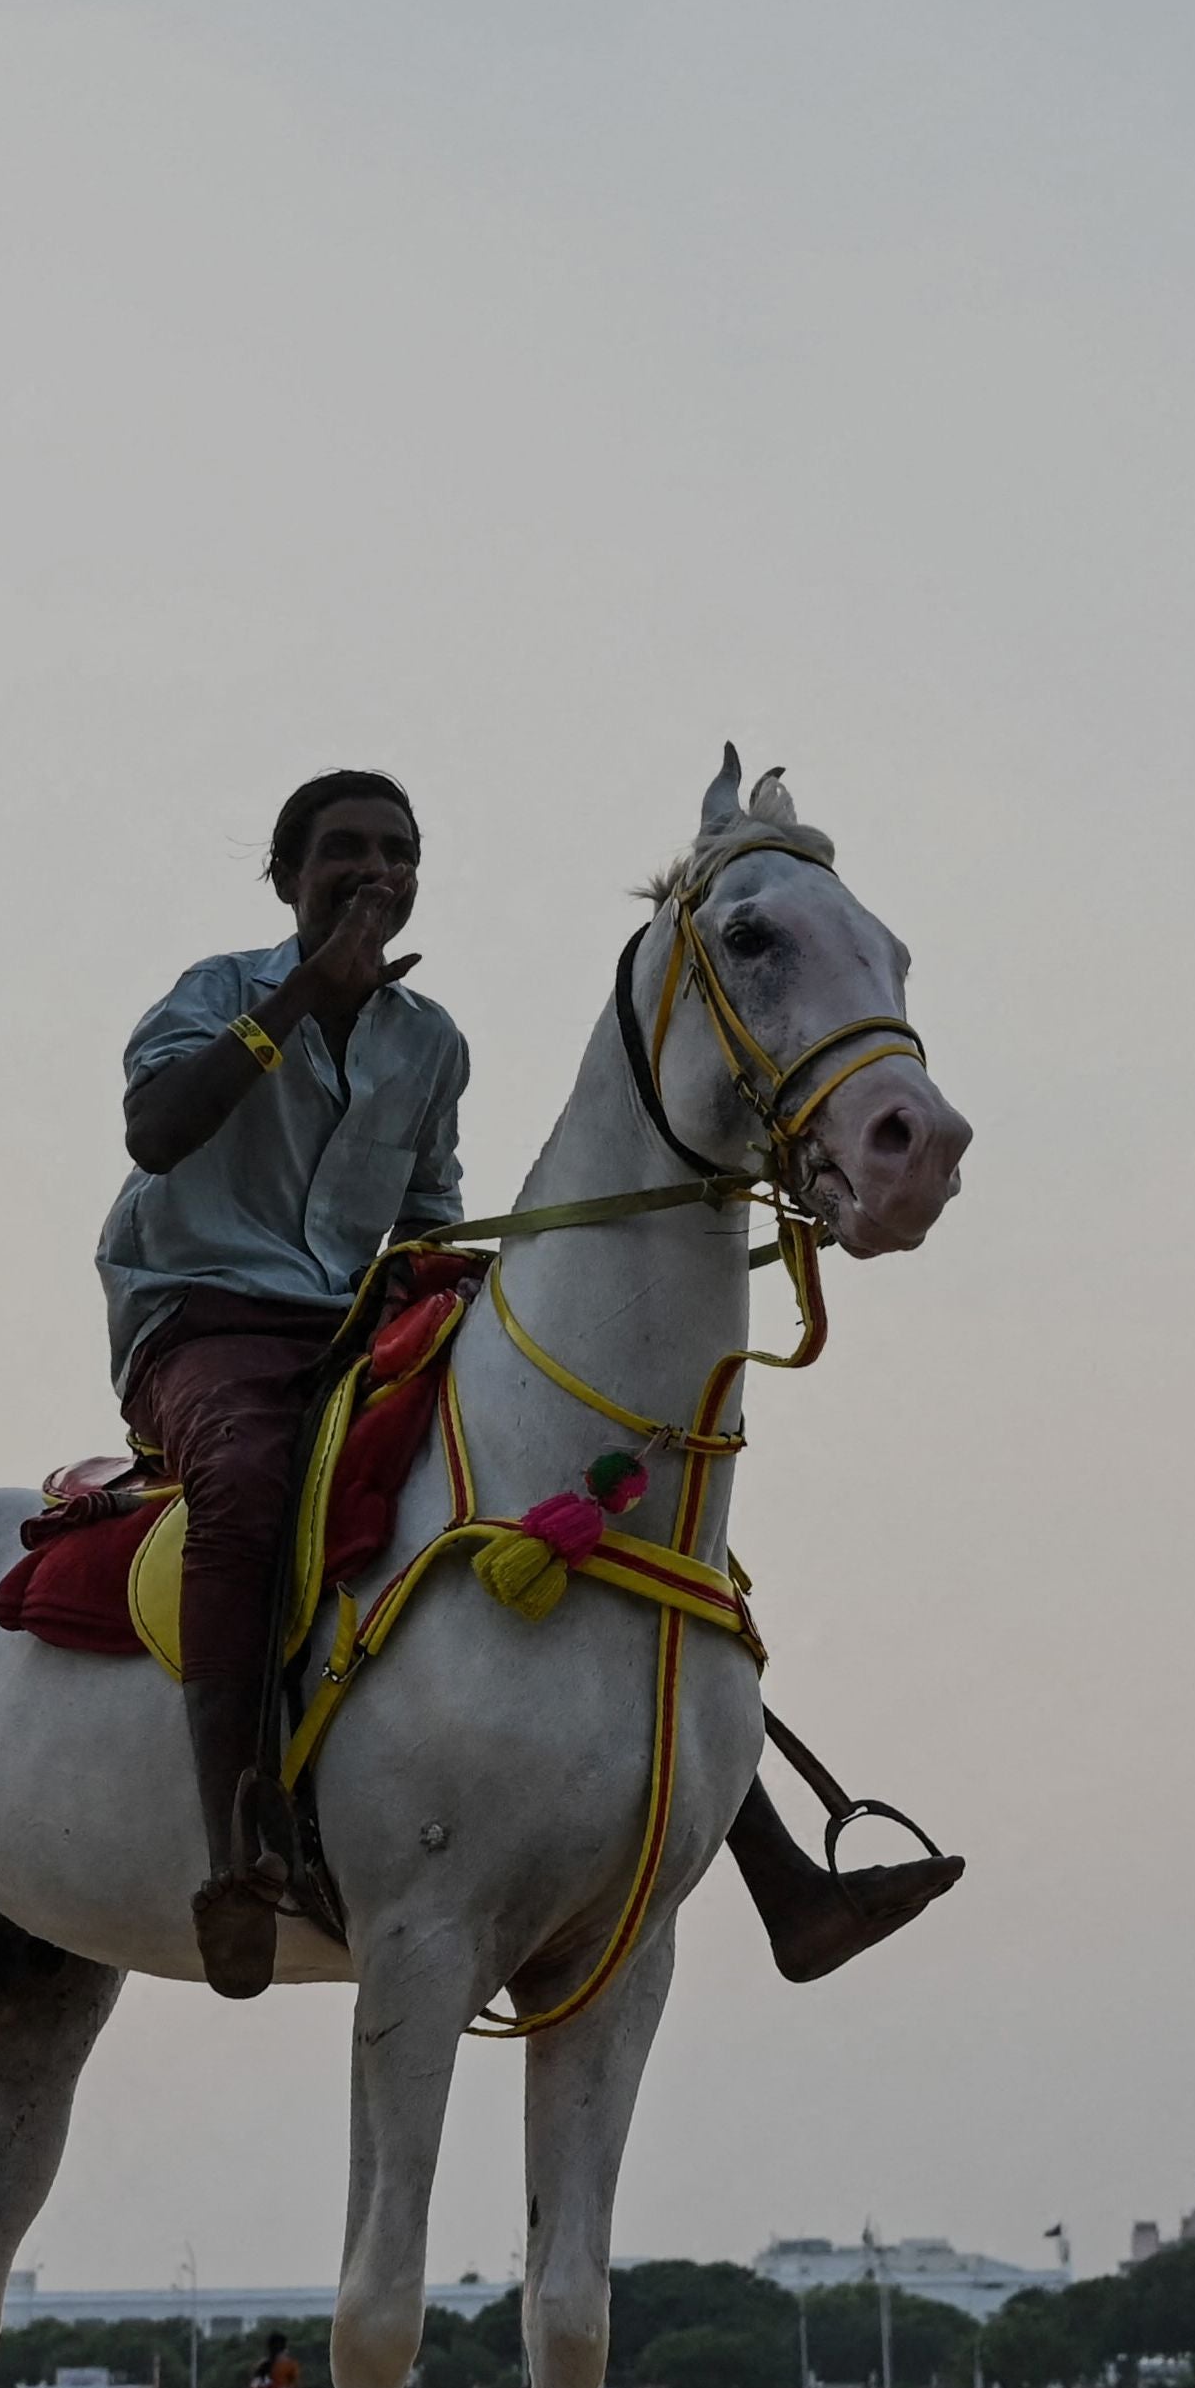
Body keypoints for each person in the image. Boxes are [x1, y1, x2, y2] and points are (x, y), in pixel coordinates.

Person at [102, 770, 960, 1998]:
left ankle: (782, 1879)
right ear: (287, 876)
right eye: (343, 851)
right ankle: (236, 1858)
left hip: (365, 1315)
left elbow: (431, 1209)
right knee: (244, 1487)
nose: (374, 873)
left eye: (397, 853)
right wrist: (303, 998)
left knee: (587, 1495)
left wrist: (482, 1295)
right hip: (210, 1321)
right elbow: (156, 1132)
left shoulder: (426, 1041)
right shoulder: (219, 993)